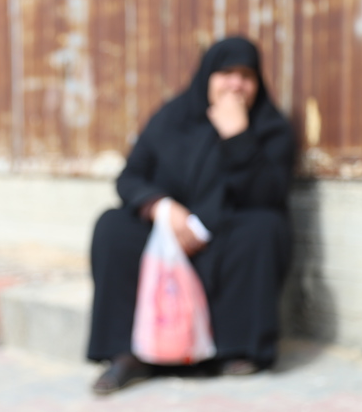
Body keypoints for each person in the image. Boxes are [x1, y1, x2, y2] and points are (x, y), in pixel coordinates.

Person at [87, 36, 295, 395]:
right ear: (206, 76)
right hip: (168, 232)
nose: (236, 84)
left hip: (227, 236)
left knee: (266, 227)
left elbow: (269, 194)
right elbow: (130, 177)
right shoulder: (172, 116)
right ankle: (127, 353)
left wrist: (238, 135)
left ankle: (237, 348)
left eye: (247, 76)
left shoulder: (270, 127)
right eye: (225, 73)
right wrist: (162, 208)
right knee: (112, 227)